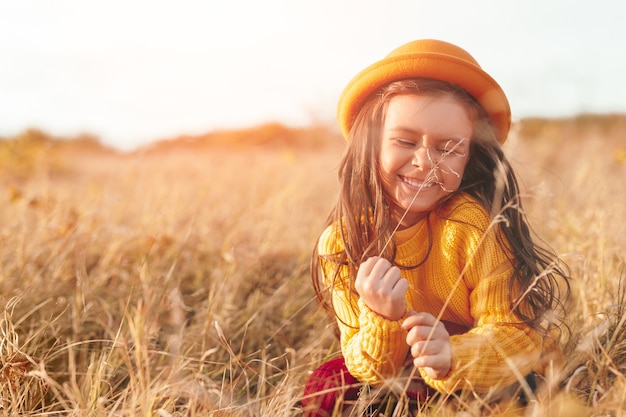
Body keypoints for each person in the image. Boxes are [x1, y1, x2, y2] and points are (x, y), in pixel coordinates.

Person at [301, 39, 570, 416]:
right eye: (405, 141)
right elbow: (365, 365)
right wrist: (383, 317)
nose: (425, 162)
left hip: (477, 368)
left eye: (449, 148)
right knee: (329, 384)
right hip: (405, 372)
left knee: (519, 389)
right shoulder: (343, 242)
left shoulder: (472, 224)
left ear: (470, 156)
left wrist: (450, 356)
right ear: (370, 143)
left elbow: (517, 335)